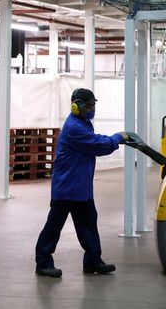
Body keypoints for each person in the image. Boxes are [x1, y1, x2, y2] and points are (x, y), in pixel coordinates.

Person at [34, 88, 127, 278]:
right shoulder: (74, 127)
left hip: (81, 188)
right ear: (77, 106)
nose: (93, 109)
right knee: (54, 227)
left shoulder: (83, 123)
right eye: (89, 106)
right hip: (67, 187)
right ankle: (43, 263)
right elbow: (97, 145)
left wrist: (113, 138)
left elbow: (95, 139)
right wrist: (117, 138)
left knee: (89, 224)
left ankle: (93, 261)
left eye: (94, 105)